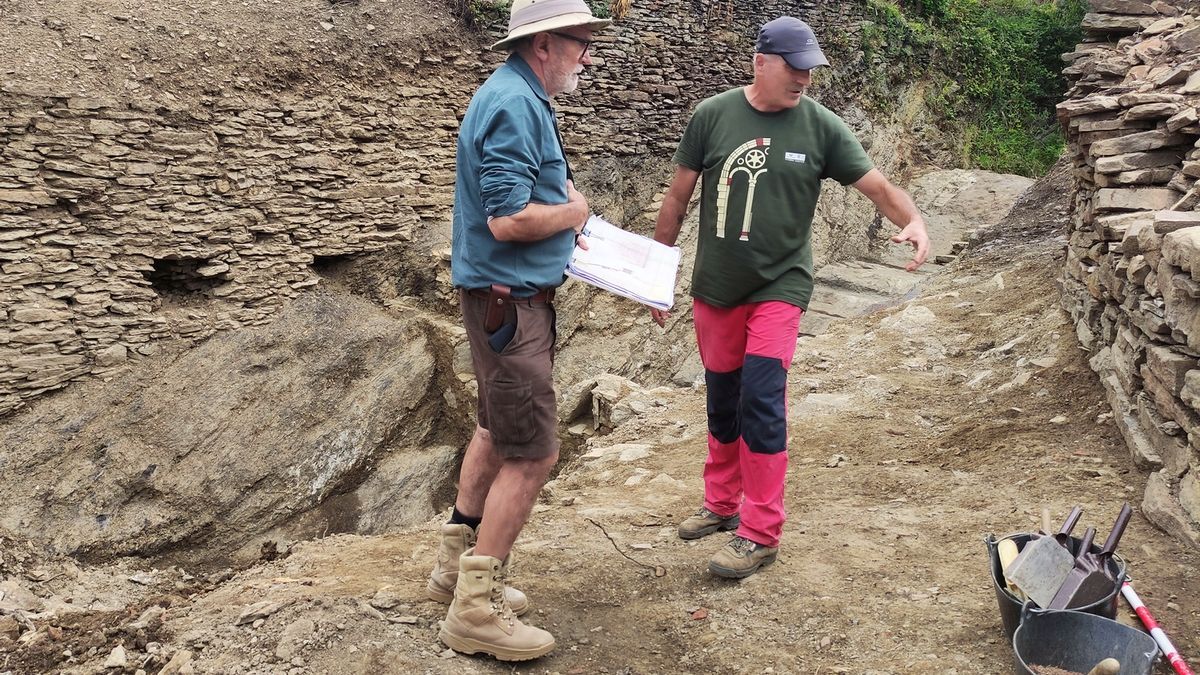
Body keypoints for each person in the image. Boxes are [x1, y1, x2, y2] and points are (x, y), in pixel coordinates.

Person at [651, 16, 930, 579]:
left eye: (810, 69)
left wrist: (914, 220)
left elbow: (877, 186)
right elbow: (677, 198)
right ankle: (722, 504)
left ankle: (760, 531)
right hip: (717, 287)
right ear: (761, 62)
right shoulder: (712, 115)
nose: (805, 78)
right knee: (723, 397)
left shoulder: (822, 128)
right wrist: (656, 273)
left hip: (781, 284)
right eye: (795, 67)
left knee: (760, 397)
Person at [425, 0, 609, 662]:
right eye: (580, 42)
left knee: (495, 431)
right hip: (510, 305)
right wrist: (575, 212)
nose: (588, 54)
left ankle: (455, 566)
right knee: (532, 453)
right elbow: (508, 220)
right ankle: (475, 609)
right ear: (543, 46)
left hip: (501, 300)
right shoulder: (513, 104)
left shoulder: (518, 95)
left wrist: (564, 222)